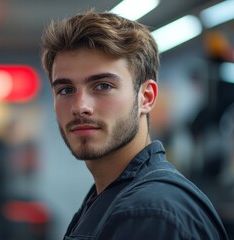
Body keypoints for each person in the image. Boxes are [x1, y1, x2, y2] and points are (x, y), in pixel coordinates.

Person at [40, 10, 228, 239]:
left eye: (102, 86)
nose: (80, 106)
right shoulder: (111, 196)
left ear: (146, 97)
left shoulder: (148, 213)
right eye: (66, 90)